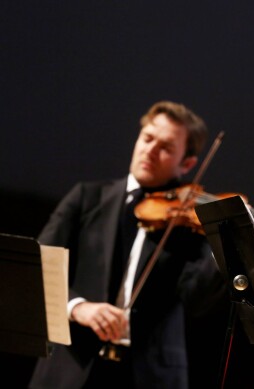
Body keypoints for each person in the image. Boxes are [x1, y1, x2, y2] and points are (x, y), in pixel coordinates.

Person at [29, 101, 228, 389]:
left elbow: (198, 301)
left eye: (166, 148)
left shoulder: (189, 223)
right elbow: (38, 267)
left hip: (151, 376)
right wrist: (78, 307)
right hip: (70, 368)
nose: (150, 150)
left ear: (187, 164)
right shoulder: (86, 198)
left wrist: (222, 243)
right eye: (147, 138)